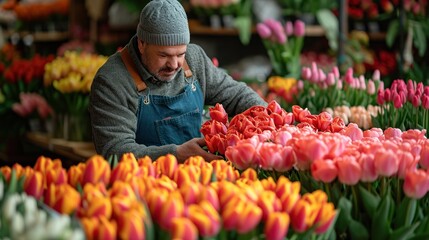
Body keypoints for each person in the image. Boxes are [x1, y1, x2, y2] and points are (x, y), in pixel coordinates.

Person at [89, 0, 267, 163]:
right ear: (142, 44)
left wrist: (268, 119)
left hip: (198, 176)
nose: (174, 65)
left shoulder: (194, 58)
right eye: (163, 55)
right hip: (144, 186)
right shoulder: (112, 80)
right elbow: (114, 152)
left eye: (180, 54)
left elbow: (236, 94)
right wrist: (175, 154)